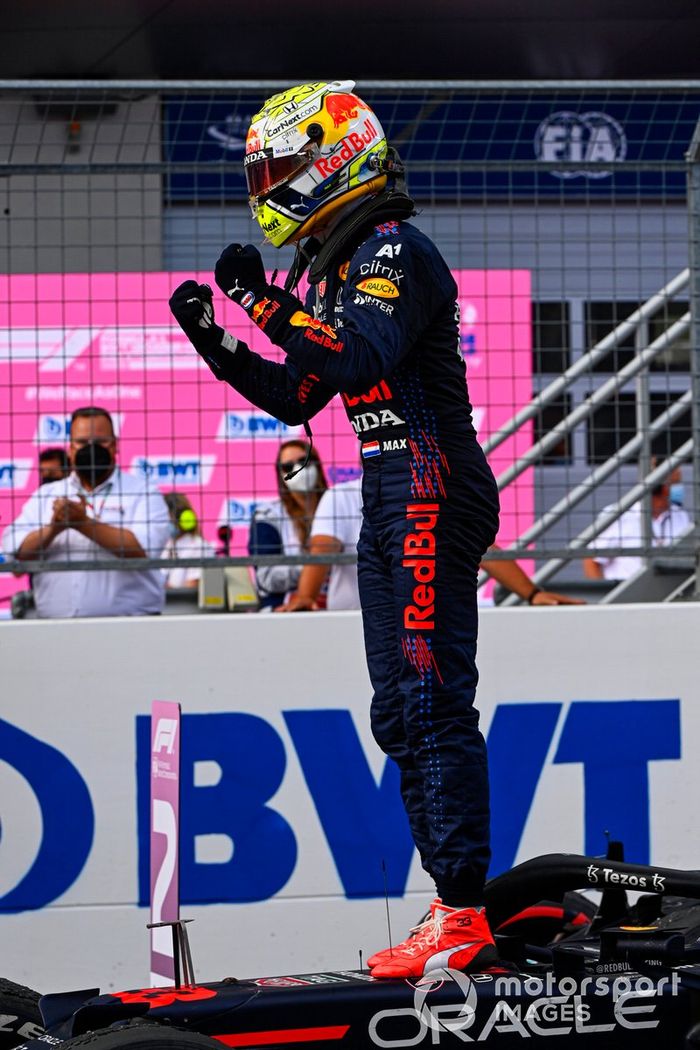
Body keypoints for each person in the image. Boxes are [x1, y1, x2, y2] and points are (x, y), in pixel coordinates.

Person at [170, 79, 502, 977]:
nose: (266, 186)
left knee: (431, 700)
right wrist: (216, 337)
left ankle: (463, 910)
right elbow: (301, 393)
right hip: (392, 490)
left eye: (278, 168)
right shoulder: (346, 258)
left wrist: (258, 303)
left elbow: (353, 354)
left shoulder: (395, 247)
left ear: (332, 160)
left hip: (430, 486)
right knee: (397, 710)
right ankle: (453, 904)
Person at [280, 476, 583, 611]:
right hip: (360, 624)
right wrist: (305, 596)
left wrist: (532, 594)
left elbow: (480, 548)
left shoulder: (432, 492)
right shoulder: (343, 496)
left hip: (425, 624)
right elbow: (322, 549)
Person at [2, 406, 170, 617]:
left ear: (115, 445)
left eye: (100, 442)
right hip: (54, 630)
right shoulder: (46, 494)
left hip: (130, 628)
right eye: (82, 442)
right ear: (70, 449)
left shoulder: (143, 491)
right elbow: (15, 552)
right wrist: (55, 528)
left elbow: (145, 550)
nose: (91, 449)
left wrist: (83, 523)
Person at [248, 440, 328, 608]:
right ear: (280, 475)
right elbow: (266, 578)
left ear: (317, 465)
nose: (298, 470)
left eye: (303, 462)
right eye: (287, 467)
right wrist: (317, 570)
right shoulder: (268, 516)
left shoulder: (338, 507)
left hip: (336, 605)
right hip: (283, 611)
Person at [583, 463, 691, 582]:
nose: (680, 488)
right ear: (664, 487)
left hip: (670, 595)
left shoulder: (681, 515)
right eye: (677, 482)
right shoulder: (619, 515)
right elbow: (591, 560)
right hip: (628, 596)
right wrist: (603, 595)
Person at [161, 491, 217, 589]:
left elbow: (193, 588)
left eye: (167, 518)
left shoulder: (199, 546)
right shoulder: (166, 545)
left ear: (184, 519)